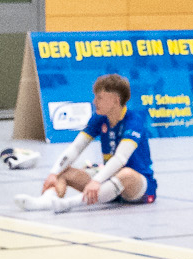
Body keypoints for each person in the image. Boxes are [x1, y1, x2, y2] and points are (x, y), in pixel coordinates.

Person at [15, 73, 156, 213]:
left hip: (139, 189)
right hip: (109, 184)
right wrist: (53, 173)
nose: (94, 102)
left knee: (126, 174)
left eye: (99, 98)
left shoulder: (133, 122)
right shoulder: (99, 119)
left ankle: (69, 204)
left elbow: (120, 158)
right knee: (64, 171)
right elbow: (76, 148)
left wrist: (97, 181)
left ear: (115, 100)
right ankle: (44, 202)